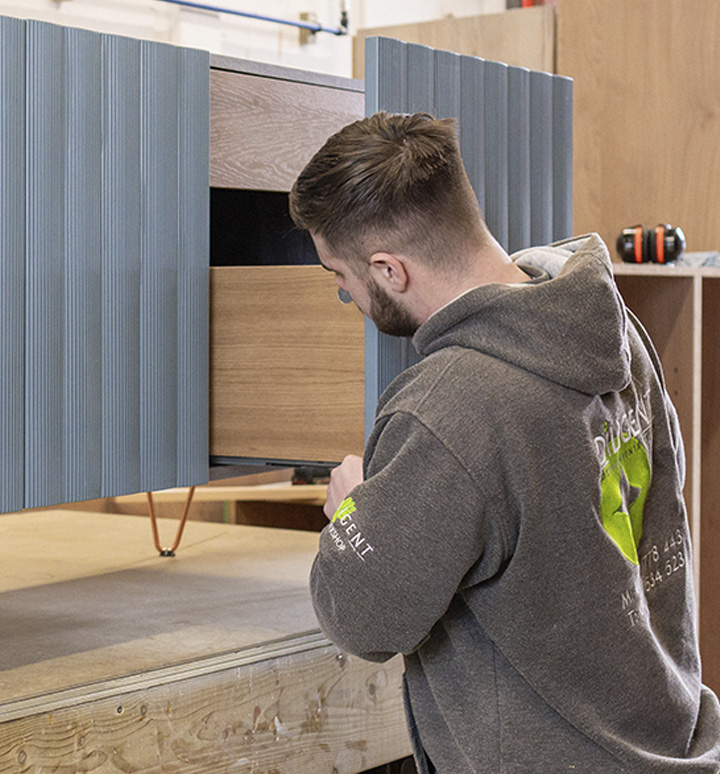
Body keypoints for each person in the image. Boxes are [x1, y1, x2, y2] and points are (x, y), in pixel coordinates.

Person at [288, 112, 720, 774]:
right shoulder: (616, 332)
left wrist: (353, 510)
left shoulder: (450, 406)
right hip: (672, 743)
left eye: (338, 274)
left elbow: (364, 621)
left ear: (389, 269)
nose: (345, 293)